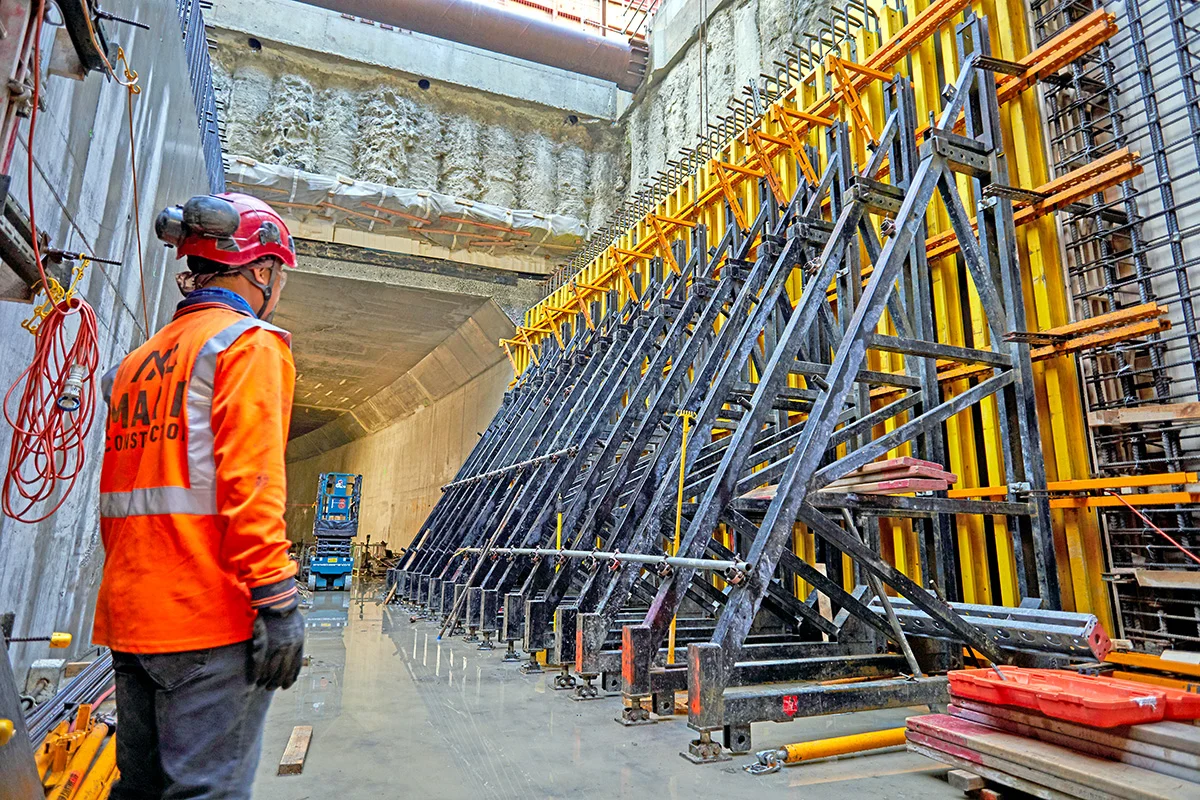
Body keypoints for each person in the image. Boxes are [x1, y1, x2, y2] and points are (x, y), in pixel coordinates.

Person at [95, 193, 303, 799]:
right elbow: (251, 483)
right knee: (205, 791)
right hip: (208, 621)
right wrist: (278, 600)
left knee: (141, 789)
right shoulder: (247, 345)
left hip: (133, 618)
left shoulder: (135, 365)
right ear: (260, 271)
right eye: (278, 274)